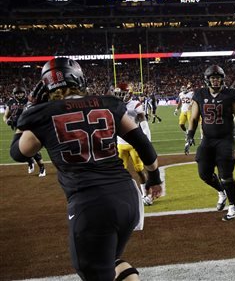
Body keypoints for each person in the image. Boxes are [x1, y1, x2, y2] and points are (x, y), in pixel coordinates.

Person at [9, 57, 163, 281]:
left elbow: (18, 152)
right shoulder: (107, 103)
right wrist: (155, 177)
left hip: (90, 204)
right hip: (128, 198)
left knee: (93, 271)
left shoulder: (43, 113)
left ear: (45, 85)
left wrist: (31, 107)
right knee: (110, 262)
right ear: (79, 79)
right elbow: (143, 144)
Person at [184, 65, 235, 221]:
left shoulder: (230, 94)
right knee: (204, 173)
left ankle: (234, 207)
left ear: (222, 79)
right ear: (207, 80)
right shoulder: (200, 94)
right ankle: (221, 191)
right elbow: (193, 118)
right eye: (213, 78)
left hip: (225, 139)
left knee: (226, 175)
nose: (216, 81)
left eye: (218, 78)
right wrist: (190, 134)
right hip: (208, 139)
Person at [114, 82, 154, 206]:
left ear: (130, 93)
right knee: (120, 172)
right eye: (118, 94)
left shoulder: (135, 104)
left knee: (139, 170)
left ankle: (146, 194)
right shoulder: (114, 104)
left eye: (122, 93)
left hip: (133, 143)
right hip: (120, 143)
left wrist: (146, 138)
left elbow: (143, 120)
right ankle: (123, 195)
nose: (120, 96)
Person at [3, 86, 46, 177]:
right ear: (14, 94)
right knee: (18, 147)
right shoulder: (10, 102)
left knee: (30, 148)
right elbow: (5, 116)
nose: (19, 94)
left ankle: (42, 167)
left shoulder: (29, 100)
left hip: (28, 126)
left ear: (24, 93)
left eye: (21, 93)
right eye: (17, 93)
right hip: (17, 127)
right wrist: (7, 121)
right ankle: (30, 161)